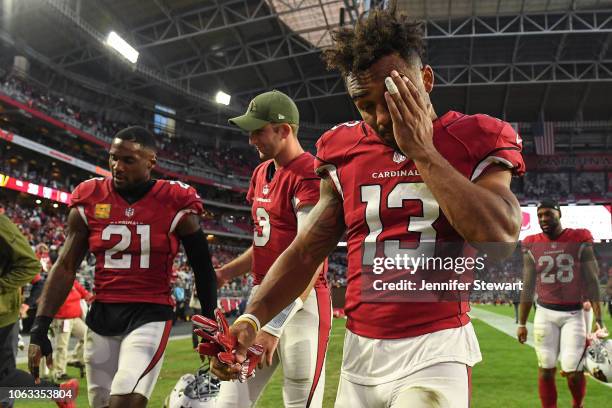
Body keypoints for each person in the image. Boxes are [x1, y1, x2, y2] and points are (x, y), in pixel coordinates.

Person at [212, 8, 524, 408]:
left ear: (425, 81)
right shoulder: (343, 149)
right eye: (364, 103)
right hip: (360, 354)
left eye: (392, 98)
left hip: (436, 348)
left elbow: (500, 240)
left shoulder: (473, 136)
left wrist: (422, 150)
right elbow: (307, 251)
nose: (380, 118)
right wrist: (251, 319)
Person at [27, 126, 218, 408]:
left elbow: (202, 266)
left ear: (150, 163)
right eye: (114, 158)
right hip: (102, 314)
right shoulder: (91, 196)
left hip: (149, 313)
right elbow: (66, 265)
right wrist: (40, 326)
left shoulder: (173, 200)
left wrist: (209, 319)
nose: (117, 166)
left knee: (124, 401)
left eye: (128, 160)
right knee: (102, 403)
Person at [212, 90, 331, 407]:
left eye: (258, 130)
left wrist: (273, 327)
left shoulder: (310, 172)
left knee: (300, 400)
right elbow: (264, 243)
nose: (251, 140)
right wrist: (225, 272)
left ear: (284, 130)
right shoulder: (261, 173)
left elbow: (311, 257)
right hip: (260, 299)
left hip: (301, 305)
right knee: (229, 402)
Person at [517, 200, 603, 408]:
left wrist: (598, 319)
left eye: (548, 214)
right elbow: (528, 285)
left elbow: (592, 281)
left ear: (559, 214)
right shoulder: (531, 242)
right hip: (545, 313)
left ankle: (577, 404)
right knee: (546, 368)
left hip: (574, 313)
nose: (543, 219)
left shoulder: (579, 238)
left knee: (573, 370)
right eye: (540, 215)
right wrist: (521, 323)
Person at [0, 210, 77, 408]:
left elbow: (30, 266)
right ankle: (60, 393)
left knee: (4, 378)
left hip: (3, 317)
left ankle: (59, 393)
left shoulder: (1, 224)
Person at [50, 279, 92, 381]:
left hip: (75, 318)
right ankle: (59, 372)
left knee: (88, 337)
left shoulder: (73, 281)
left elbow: (85, 293)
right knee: (62, 346)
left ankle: (74, 358)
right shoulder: (56, 281)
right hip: (63, 319)